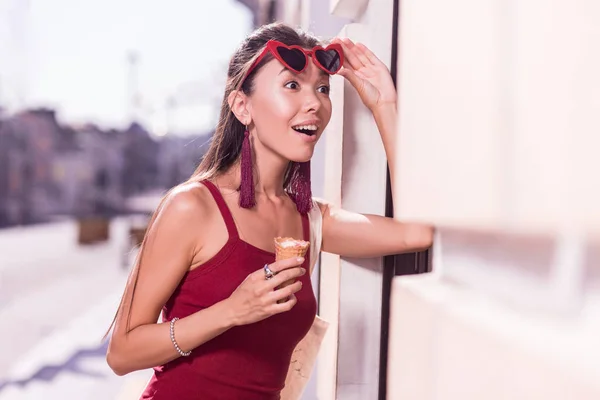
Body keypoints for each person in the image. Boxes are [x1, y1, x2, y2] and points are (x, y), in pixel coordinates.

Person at [105, 22, 434, 400]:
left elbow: (418, 232)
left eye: (322, 89)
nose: (314, 102)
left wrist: (384, 105)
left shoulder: (309, 221)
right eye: (292, 85)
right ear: (243, 106)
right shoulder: (192, 207)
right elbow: (122, 353)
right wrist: (232, 310)